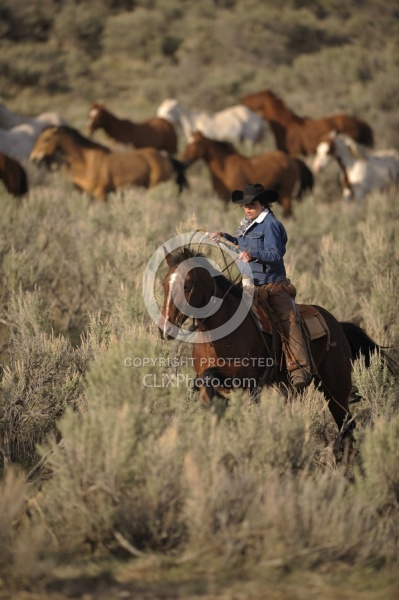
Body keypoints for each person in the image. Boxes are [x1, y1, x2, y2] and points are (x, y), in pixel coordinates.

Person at [209, 182, 312, 390]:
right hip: (250, 284)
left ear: (263, 203)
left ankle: (300, 368)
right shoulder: (248, 222)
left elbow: (276, 254)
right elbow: (241, 242)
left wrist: (252, 255)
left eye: (251, 204)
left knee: (289, 319)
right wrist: (225, 237)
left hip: (273, 286)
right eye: (244, 205)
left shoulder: (271, 224)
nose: (247, 208)